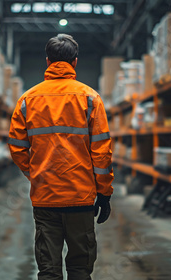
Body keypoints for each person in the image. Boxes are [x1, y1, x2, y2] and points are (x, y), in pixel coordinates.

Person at [8, 33, 114, 280]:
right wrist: (105, 193)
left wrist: (34, 174)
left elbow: (16, 146)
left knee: (48, 270)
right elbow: (102, 152)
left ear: (48, 61)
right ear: (75, 62)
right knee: (79, 268)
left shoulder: (27, 100)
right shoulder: (90, 98)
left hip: (45, 198)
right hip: (81, 197)